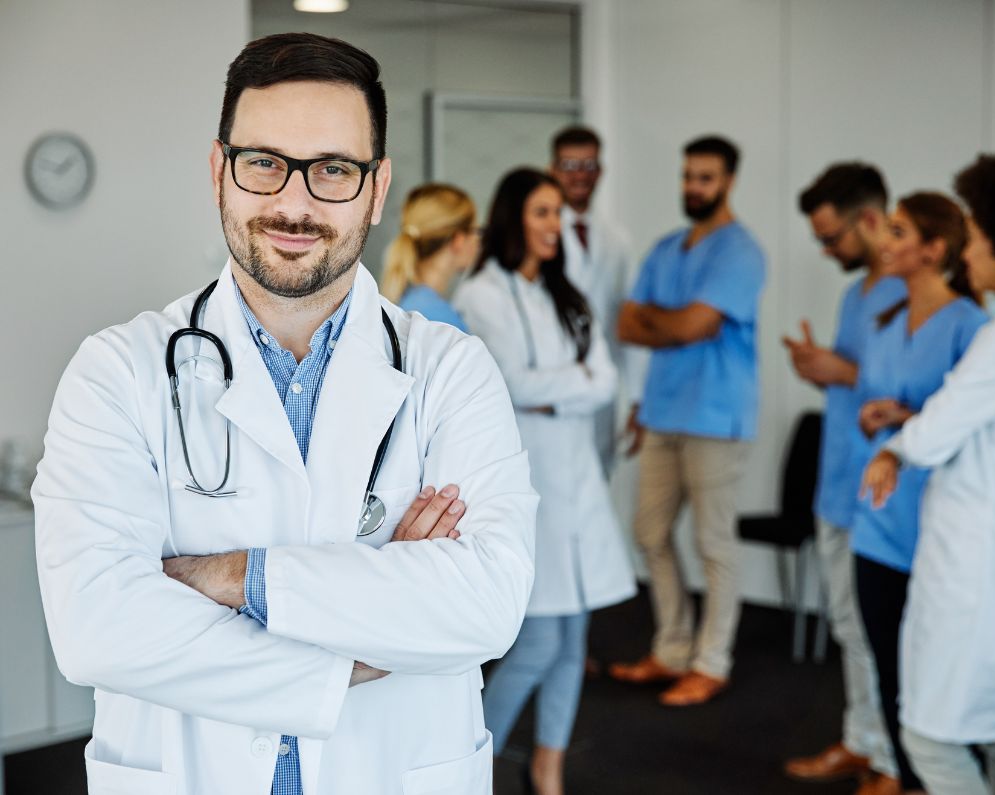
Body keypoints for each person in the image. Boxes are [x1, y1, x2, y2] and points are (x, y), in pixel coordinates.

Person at [32, 33, 537, 795]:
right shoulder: (117, 371)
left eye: (333, 169)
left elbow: (487, 603)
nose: (293, 203)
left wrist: (235, 577)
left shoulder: (451, 371)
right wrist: (364, 637)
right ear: (219, 172)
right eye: (264, 162)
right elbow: (96, 626)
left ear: (377, 187)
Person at [453, 168, 636, 795]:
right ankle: (464, 765)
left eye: (557, 213)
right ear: (513, 218)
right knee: (536, 643)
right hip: (527, 478)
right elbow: (513, 383)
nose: (554, 225)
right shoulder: (482, 294)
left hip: (579, 478)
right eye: (541, 212)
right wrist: (571, 387)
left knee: (572, 639)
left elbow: (605, 380)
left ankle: (548, 767)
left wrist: (555, 390)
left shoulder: (570, 294)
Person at [861, 151, 995, 795]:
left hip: (980, 564)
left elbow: (945, 419)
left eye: (976, 238)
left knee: (929, 735)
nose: (968, 254)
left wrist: (894, 449)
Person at [609, 135, 766, 706]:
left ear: (727, 181)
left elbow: (692, 328)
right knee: (649, 533)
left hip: (717, 419)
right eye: (687, 176)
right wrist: (667, 322)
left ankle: (711, 661)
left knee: (713, 543)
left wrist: (665, 322)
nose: (693, 187)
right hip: (663, 413)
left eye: (705, 178)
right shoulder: (667, 247)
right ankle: (671, 649)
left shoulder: (741, 252)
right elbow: (628, 324)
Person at [851, 192, 987, 795]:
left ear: (934, 250)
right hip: (877, 520)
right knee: (888, 666)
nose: (883, 239)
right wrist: (878, 417)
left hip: (936, 530)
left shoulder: (972, 327)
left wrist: (906, 419)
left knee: (945, 683)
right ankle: (904, 778)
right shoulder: (884, 319)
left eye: (899, 230)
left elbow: (973, 427)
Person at [781, 163, 901, 787]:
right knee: (848, 626)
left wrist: (843, 372)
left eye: (833, 239)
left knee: (881, 633)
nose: (828, 252)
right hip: (837, 484)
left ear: (872, 219)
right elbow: (853, 376)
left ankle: (891, 761)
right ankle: (862, 740)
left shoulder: (917, 292)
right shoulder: (856, 293)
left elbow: (922, 394)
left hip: (882, 495)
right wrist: (820, 368)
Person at [549, 125, 642, 474]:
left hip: (601, 388)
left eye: (588, 165)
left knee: (595, 489)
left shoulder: (617, 240)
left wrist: (636, 398)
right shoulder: (542, 232)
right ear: (553, 169)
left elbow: (628, 320)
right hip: (551, 385)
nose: (580, 176)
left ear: (600, 171)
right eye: (570, 165)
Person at [379, 182, 479, 331]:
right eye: (475, 231)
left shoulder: (409, 303)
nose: (477, 240)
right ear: (459, 240)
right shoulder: (441, 321)